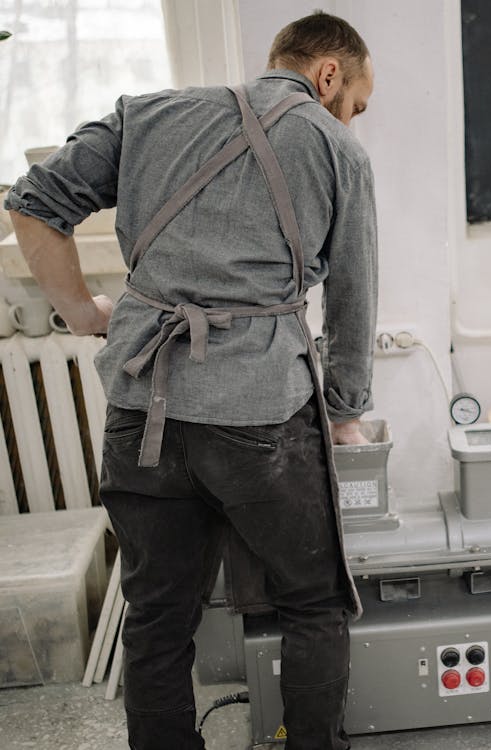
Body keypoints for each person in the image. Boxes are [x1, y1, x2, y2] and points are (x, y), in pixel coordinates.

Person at [5, 11, 377, 750]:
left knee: (157, 615)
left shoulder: (146, 115)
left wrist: (82, 311)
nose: (354, 121)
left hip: (143, 408)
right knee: (313, 604)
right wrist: (342, 408)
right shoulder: (335, 149)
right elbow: (353, 298)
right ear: (327, 74)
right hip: (261, 416)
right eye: (358, 104)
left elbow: (32, 202)